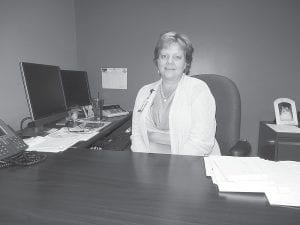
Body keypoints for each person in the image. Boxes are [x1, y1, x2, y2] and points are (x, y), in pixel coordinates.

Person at [131, 31, 220, 156]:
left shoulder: (198, 90)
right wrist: (143, 162)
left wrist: (173, 169)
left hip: (191, 164)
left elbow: (200, 143)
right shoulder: (144, 92)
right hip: (150, 164)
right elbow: (137, 135)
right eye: (164, 56)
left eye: (177, 57)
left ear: (186, 63)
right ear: (157, 61)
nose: (169, 62)